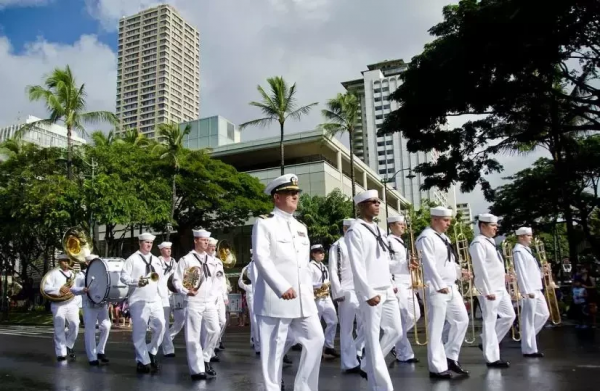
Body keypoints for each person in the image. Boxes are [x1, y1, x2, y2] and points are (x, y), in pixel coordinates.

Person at [252, 173, 324, 391]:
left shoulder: (301, 227)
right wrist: (281, 286)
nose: (295, 196)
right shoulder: (265, 223)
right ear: (276, 197)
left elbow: (301, 266)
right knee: (273, 352)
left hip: (303, 300)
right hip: (276, 300)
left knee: (316, 339)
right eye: (289, 193)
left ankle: (303, 386)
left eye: (296, 193)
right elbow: (261, 258)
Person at [345, 190, 402, 391]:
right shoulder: (355, 231)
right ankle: (381, 386)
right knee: (372, 338)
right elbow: (357, 265)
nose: (378, 205)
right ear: (361, 206)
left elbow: (384, 261)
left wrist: (402, 265)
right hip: (372, 292)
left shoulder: (379, 230)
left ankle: (369, 363)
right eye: (373, 202)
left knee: (396, 330)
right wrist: (368, 293)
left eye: (378, 202)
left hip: (386, 288)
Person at [417, 206, 470, 379]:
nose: (449, 223)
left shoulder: (444, 238)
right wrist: (439, 284)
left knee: (462, 320)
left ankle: (450, 356)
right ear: (434, 220)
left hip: (450, 286)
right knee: (436, 328)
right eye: (446, 220)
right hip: (435, 286)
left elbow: (449, 261)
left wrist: (461, 272)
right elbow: (428, 263)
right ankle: (436, 367)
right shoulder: (426, 238)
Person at [172, 229, 221, 381]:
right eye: (203, 240)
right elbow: (176, 280)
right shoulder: (186, 259)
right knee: (193, 336)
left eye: (207, 240)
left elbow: (216, 280)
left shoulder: (212, 260)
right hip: (193, 301)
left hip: (209, 301)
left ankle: (205, 358)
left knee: (215, 330)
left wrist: (213, 297)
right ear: (196, 241)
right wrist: (186, 291)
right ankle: (197, 370)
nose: (206, 242)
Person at [469, 214, 515, 368]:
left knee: (509, 316)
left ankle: (487, 341)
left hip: (500, 287)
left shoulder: (491, 242)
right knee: (490, 321)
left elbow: (492, 266)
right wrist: (487, 290)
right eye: (493, 225)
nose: (496, 228)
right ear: (482, 226)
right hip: (490, 289)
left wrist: (504, 276)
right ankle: (492, 358)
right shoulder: (478, 243)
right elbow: (480, 268)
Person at [120, 232, 167, 374]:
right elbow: (123, 277)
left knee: (161, 326)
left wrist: (163, 296)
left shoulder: (156, 260)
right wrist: (135, 282)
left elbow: (160, 278)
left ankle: (151, 351)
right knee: (139, 332)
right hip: (138, 300)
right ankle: (143, 360)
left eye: (150, 243)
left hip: (155, 299)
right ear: (140, 243)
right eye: (146, 242)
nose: (148, 245)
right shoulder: (132, 259)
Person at [329, 218, 363, 373]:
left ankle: (356, 351)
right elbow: (333, 271)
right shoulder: (338, 246)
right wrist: (337, 292)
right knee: (347, 328)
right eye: (350, 228)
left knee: (366, 325)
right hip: (346, 290)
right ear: (344, 229)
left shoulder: (359, 245)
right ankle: (349, 363)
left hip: (362, 290)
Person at [387, 215, 420, 364]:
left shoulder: (403, 243)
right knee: (402, 318)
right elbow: (386, 264)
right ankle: (404, 353)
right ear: (392, 225)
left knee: (415, 316)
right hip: (397, 283)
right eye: (400, 224)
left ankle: (394, 338)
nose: (404, 227)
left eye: (404, 224)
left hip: (408, 283)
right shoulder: (388, 242)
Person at [513, 227, 549, 358]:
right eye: (529, 235)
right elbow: (521, 272)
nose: (531, 238)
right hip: (530, 290)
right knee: (528, 319)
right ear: (521, 237)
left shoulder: (527, 251)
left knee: (544, 314)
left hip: (536, 287)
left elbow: (532, 272)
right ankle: (529, 349)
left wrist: (542, 271)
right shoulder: (518, 251)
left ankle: (527, 339)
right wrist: (526, 291)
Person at [71, 254, 112, 366]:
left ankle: (100, 350)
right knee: (90, 330)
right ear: (87, 263)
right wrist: (82, 289)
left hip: (102, 304)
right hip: (89, 304)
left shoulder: (102, 273)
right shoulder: (81, 275)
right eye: (92, 261)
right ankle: (92, 357)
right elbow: (73, 289)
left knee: (107, 326)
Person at [43, 253, 80, 361]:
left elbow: (77, 288)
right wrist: (59, 289)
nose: (66, 263)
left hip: (72, 303)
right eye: (63, 261)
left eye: (67, 261)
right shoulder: (53, 273)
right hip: (58, 304)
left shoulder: (74, 274)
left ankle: (69, 344)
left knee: (75, 324)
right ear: (59, 262)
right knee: (59, 328)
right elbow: (46, 288)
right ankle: (61, 353)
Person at [309, 244, 340, 358]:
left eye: (322, 252)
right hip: (316, 297)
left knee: (333, 320)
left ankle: (329, 346)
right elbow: (308, 283)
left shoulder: (323, 266)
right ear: (313, 254)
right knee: (316, 324)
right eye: (319, 252)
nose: (322, 254)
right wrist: (321, 286)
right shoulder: (310, 267)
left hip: (326, 296)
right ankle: (315, 348)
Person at [157, 241, 178, 358]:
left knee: (181, 319)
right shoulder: (157, 261)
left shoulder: (174, 262)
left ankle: (167, 337)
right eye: (166, 249)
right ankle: (168, 348)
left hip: (174, 293)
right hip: (163, 294)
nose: (168, 250)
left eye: (169, 248)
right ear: (161, 250)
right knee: (164, 321)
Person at [238, 251, 260, 354]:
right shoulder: (246, 268)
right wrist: (249, 288)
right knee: (254, 318)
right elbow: (240, 282)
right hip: (251, 294)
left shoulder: (261, 265)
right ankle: (258, 345)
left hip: (261, 293)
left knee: (257, 319)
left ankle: (253, 339)